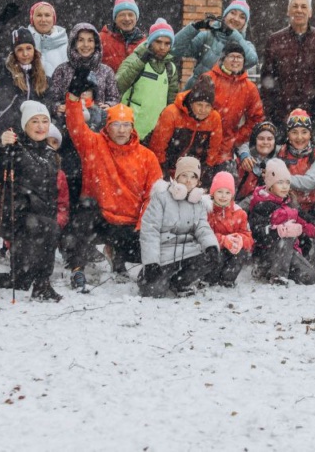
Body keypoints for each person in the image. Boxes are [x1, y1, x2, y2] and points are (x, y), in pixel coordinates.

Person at [63, 82, 161, 291]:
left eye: (126, 125)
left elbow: (153, 196)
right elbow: (75, 125)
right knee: (83, 212)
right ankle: (77, 268)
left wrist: (142, 225)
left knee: (150, 248)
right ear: (107, 125)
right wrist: (73, 98)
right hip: (100, 219)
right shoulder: (94, 144)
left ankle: (118, 257)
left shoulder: (147, 157)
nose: (121, 130)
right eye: (116, 124)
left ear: (133, 127)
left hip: (130, 224)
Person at [46, 23, 120, 219]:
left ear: (96, 44)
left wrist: (109, 105)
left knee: (93, 184)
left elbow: (114, 97)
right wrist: (57, 107)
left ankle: (89, 228)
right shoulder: (62, 70)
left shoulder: (105, 71)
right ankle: (67, 227)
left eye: (90, 40)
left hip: (97, 138)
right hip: (69, 136)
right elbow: (52, 99)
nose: (86, 45)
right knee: (70, 182)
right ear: (73, 43)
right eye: (81, 40)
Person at [0, 101, 63, 301]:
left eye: (44, 121)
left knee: (21, 280)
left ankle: (36, 280)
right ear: (25, 125)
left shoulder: (50, 154)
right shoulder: (16, 147)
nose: (41, 126)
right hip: (13, 213)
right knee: (49, 227)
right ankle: (42, 284)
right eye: (35, 121)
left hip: (38, 215)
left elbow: (50, 192)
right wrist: (1, 146)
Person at [247, 159, 315, 285]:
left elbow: (310, 226)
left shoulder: (290, 204)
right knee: (287, 236)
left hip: (288, 252)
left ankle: (272, 270)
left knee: (309, 277)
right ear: (270, 184)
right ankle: (278, 277)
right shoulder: (262, 204)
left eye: (287, 182)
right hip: (266, 252)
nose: (285, 186)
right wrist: (279, 230)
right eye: (280, 182)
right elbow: (257, 233)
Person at [138, 157, 220, 298]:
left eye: (193, 177)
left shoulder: (199, 202)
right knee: (153, 292)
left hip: (189, 252)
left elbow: (203, 228)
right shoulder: (161, 198)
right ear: (176, 177)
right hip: (165, 254)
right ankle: (147, 275)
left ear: (198, 181)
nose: (188, 180)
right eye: (184, 175)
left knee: (211, 258)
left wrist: (211, 246)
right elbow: (150, 231)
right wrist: (151, 262)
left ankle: (180, 282)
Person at [259, 0, 315, 122]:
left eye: (303, 7)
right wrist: (271, 113)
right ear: (288, 11)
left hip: (314, 116)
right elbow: (267, 81)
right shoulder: (275, 40)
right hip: (281, 115)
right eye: (295, 6)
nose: (299, 10)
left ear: (310, 12)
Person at [203, 40, 265, 170]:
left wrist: (236, 137)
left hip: (226, 149)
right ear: (223, 59)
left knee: (223, 186)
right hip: (202, 143)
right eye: (231, 56)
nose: (235, 60)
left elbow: (257, 118)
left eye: (239, 57)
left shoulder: (249, 88)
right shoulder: (208, 79)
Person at [172, 0, 258, 89]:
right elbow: (174, 51)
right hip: (195, 96)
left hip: (225, 100)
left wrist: (232, 34)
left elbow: (252, 60)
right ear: (225, 16)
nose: (236, 19)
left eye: (242, 17)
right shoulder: (207, 36)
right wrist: (193, 28)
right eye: (233, 13)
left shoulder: (246, 45)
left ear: (244, 23)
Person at [148, 74, 224, 178]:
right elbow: (158, 146)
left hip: (194, 170)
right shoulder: (172, 113)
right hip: (168, 165)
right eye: (199, 105)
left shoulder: (214, 118)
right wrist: (164, 171)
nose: (203, 110)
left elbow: (214, 150)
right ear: (191, 103)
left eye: (207, 106)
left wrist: (204, 171)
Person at [116, 18, 179, 142]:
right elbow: (118, 85)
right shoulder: (134, 59)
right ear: (150, 42)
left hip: (154, 135)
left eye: (167, 44)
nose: (162, 47)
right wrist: (141, 62)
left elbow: (171, 105)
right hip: (128, 131)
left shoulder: (170, 68)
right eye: (158, 42)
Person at [0, 27, 48, 143]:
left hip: (37, 137)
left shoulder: (44, 79)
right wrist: (1, 135)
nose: (25, 54)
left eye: (29, 48)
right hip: (12, 137)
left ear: (34, 50)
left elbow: (50, 108)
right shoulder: (7, 76)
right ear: (14, 53)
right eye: (20, 50)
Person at [274, 108, 315, 212]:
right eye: (294, 132)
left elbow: (310, 182)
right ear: (288, 135)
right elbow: (260, 147)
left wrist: (280, 178)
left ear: (310, 134)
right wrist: (245, 155)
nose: (299, 137)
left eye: (304, 132)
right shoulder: (281, 152)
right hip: (292, 207)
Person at [204, 171, 253, 287]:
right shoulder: (207, 211)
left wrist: (240, 240)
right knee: (214, 254)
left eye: (227, 192)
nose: (223, 196)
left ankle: (228, 279)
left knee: (241, 253)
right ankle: (209, 278)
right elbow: (204, 235)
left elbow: (248, 237)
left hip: (231, 251)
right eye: (219, 192)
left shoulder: (239, 213)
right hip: (214, 251)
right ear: (213, 193)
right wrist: (222, 240)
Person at [236, 121, 279, 207]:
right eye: (261, 138)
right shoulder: (242, 160)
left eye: (270, 139)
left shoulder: (280, 157)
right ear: (254, 140)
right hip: (237, 207)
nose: (265, 142)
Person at [100, 0, 145, 72]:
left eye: (130, 15)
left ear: (136, 18)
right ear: (115, 18)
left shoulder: (144, 43)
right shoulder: (101, 39)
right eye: (122, 15)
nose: (127, 19)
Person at [26, 1, 69, 77]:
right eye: (39, 15)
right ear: (32, 19)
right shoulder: (23, 43)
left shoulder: (67, 46)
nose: (43, 19)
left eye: (47, 15)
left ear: (53, 19)